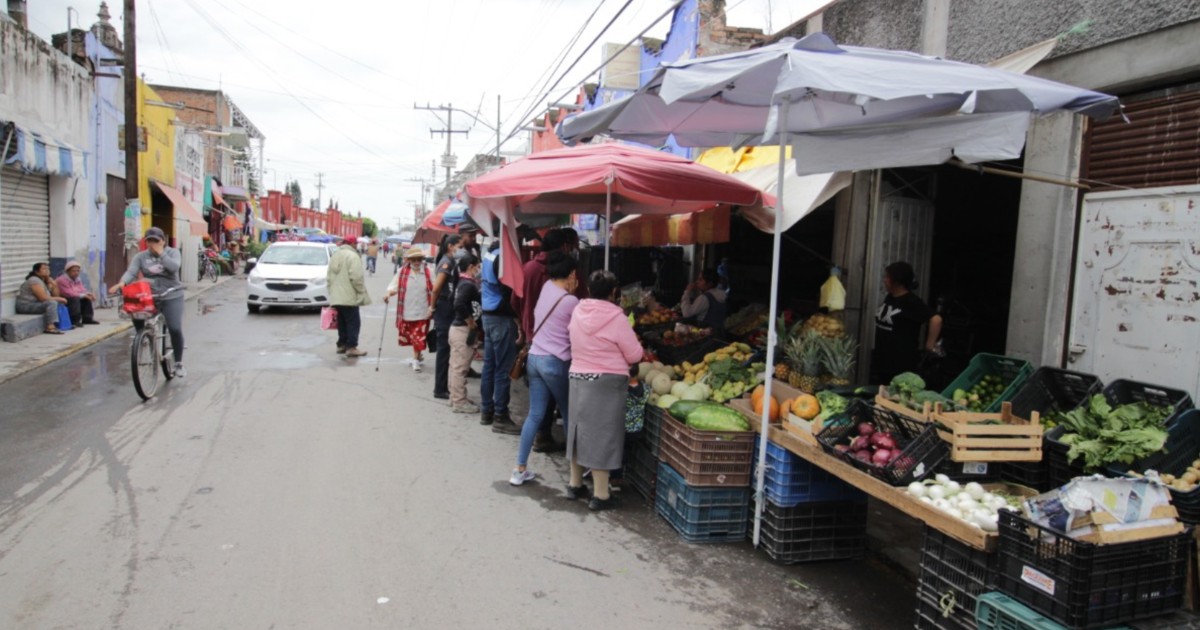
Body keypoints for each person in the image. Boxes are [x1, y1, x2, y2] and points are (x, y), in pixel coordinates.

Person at [565, 270, 644, 510]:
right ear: (613, 293)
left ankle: (575, 484)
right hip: (606, 381)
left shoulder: (578, 310)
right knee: (603, 435)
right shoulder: (616, 318)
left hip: (578, 375)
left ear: (589, 290)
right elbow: (634, 354)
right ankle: (601, 495)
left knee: (579, 430)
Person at [510, 252, 580, 486]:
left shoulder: (547, 287)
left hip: (535, 359)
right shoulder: (570, 301)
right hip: (554, 363)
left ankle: (519, 469)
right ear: (571, 274)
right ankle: (575, 477)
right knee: (570, 414)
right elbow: (577, 333)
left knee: (535, 414)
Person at [109, 227, 187, 374]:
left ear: (163, 241)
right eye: (149, 241)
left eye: (156, 241)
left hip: (172, 294)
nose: (152, 244)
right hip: (150, 295)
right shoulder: (141, 256)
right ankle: (143, 337)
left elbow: (174, 267)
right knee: (135, 311)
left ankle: (178, 363)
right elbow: (131, 271)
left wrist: (161, 253)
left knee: (175, 328)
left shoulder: (172, 252)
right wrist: (122, 283)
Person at [871, 261, 943, 384]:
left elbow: (936, 319)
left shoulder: (911, 302)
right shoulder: (890, 297)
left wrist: (929, 345)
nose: (885, 280)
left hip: (900, 365)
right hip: (882, 362)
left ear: (897, 281)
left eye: (887, 277)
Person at [479, 240, 522, 434]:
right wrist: (517, 318)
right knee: (503, 369)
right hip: (500, 317)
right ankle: (500, 416)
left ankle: (486, 410)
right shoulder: (502, 259)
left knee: (489, 367)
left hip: (488, 315)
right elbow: (507, 293)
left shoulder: (489, 256)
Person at [384, 246, 433, 372]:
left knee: (419, 336)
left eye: (419, 259)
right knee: (413, 337)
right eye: (413, 260)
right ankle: (418, 354)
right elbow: (394, 286)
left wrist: (433, 306)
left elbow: (435, 289)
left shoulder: (428, 272)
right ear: (409, 260)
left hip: (423, 311)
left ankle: (415, 360)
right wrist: (388, 294)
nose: (416, 262)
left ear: (422, 259)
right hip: (407, 311)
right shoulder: (402, 272)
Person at [448, 253, 482, 413]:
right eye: (478, 267)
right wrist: (470, 321)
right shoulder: (468, 284)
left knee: (455, 366)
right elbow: (459, 304)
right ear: (470, 267)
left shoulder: (462, 282)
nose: (479, 270)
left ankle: (456, 397)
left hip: (457, 330)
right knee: (460, 368)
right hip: (462, 330)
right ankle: (459, 402)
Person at [431, 234, 463, 400]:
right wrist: (432, 307)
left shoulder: (451, 261)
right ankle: (440, 388)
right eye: (460, 246)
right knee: (443, 349)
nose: (461, 249)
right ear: (451, 246)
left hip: (446, 307)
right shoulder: (447, 262)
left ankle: (443, 386)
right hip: (444, 308)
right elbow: (436, 289)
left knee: (446, 348)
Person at [327, 234, 370, 358]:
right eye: (355, 244)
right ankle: (351, 347)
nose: (356, 246)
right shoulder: (352, 256)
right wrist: (361, 292)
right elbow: (356, 277)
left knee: (342, 322)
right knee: (353, 322)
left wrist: (331, 292)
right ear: (352, 244)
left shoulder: (335, 255)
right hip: (348, 296)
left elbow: (329, 277)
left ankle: (341, 345)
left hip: (337, 296)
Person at [16, 262, 67, 335]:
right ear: (36, 271)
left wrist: (53, 284)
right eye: (44, 269)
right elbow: (43, 298)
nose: (47, 270)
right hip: (25, 306)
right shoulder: (34, 280)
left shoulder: (44, 280)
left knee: (55, 302)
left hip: (36, 304)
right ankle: (50, 327)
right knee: (52, 303)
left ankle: (65, 324)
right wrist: (60, 299)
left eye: (48, 269)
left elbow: (56, 294)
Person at [680, 269, 728, 338]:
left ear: (710, 283)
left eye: (700, 280)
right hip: (718, 334)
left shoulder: (705, 298)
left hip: (706, 335)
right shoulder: (723, 294)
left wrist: (687, 292)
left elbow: (686, 313)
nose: (697, 282)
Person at [55, 260, 99, 326]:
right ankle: (74, 321)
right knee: (75, 298)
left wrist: (88, 294)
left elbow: (82, 289)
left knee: (86, 299)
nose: (76, 272)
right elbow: (68, 293)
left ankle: (87, 318)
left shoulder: (77, 279)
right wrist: (83, 295)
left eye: (78, 271)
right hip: (64, 298)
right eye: (73, 271)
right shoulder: (62, 280)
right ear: (67, 271)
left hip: (73, 296)